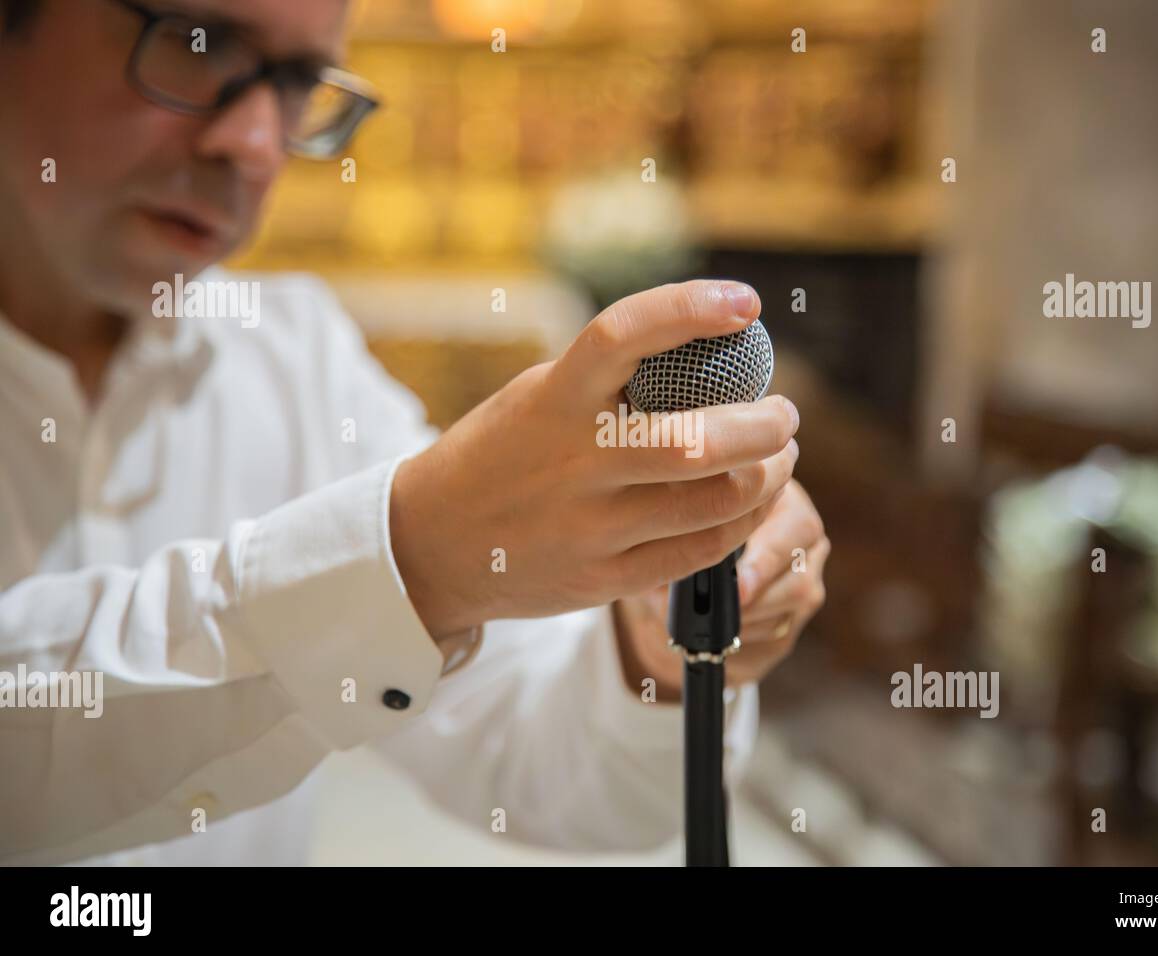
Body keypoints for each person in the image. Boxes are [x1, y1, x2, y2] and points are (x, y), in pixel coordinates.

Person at [0, 0, 830, 865]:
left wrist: (653, 653)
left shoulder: (293, 361)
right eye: (194, 43)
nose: (251, 144)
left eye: (295, 86)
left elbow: (540, 770)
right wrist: (412, 559)